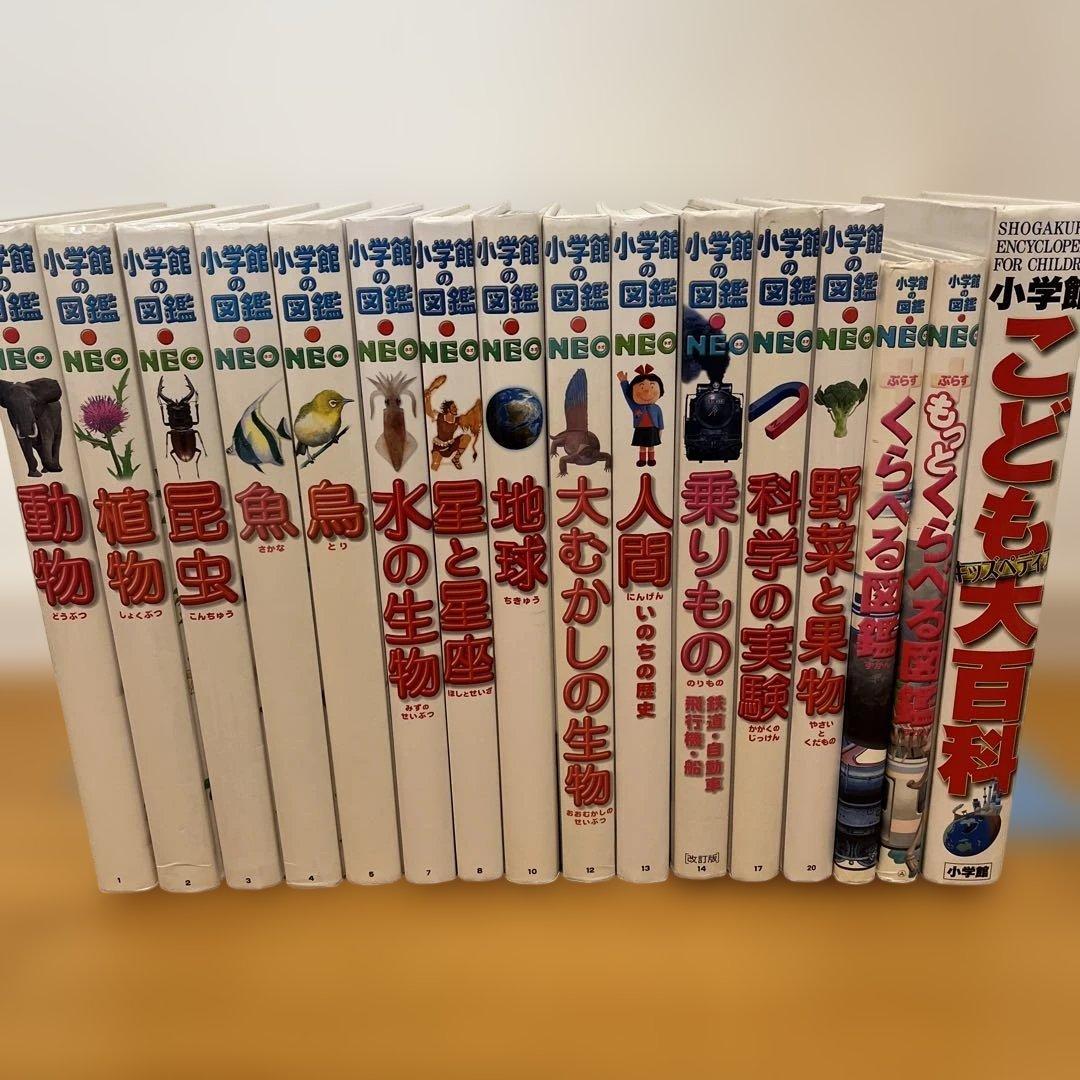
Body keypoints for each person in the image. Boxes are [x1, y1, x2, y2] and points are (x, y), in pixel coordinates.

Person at [616, 363, 665, 467]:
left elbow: (660, 422)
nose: (647, 391)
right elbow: (628, 397)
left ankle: (651, 459)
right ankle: (642, 460)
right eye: (641, 388)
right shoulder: (635, 407)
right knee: (642, 446)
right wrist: (624, 382)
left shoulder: (657, 408)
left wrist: (660, 432)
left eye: (652, 387)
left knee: (651, 446)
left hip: (652, 429)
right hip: (641, 429)